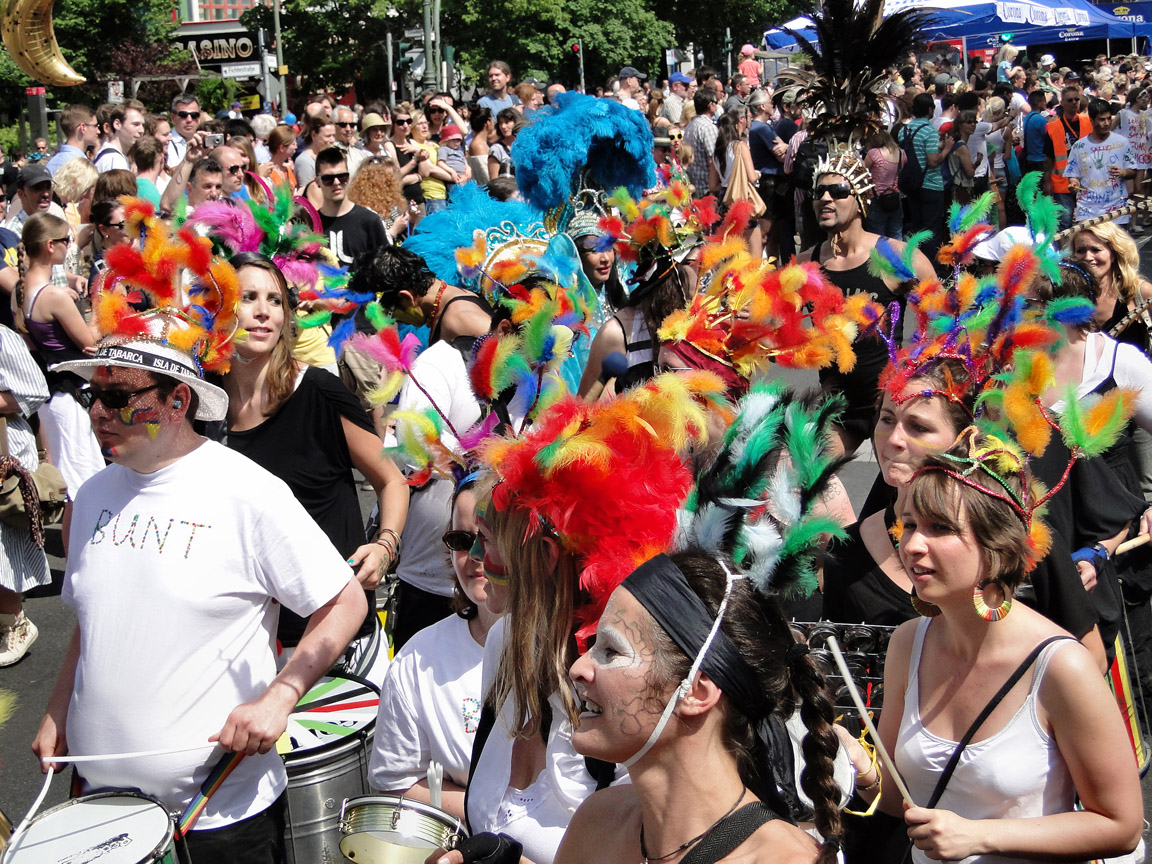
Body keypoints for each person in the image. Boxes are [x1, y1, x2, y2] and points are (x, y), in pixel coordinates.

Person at [32, 229, 368, 861]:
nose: (97, 413)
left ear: (177, 400)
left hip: (219, 820)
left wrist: (281, 695)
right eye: (91, 396)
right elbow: (89, 621)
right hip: (100, 811)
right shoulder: (94, 494)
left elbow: (344, 602)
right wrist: (56, 709)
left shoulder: (247, 491)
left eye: (117, 397)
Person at [869, 434, 1142, 863]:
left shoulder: (1061, 665)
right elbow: (893, 793)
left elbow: (1120, 825)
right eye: (909, 524)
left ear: (995, 544)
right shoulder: (908, 643)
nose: (913, 544)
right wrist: (849, 765)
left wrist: (980, 836)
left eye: (939, 528)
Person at [557, 549, 844, 864]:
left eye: (611, 651)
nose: (579, 669)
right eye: (594, 645)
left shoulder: (784, 860)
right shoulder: (597, 823)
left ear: (696, 692)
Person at [221, 253, 407, 681]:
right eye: (248, 298)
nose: (263, 311)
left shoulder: (319, 392)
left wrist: (384, 545)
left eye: (274, 300)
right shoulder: (205, 405)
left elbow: (391, 479)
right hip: (249, 639)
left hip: (335, 636)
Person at [368, 472, 499, 819]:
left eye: (488, 537)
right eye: (460, 539)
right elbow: (394, 779)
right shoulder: (419, 658)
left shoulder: (570, 652)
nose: (474, 554)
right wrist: (491, 813)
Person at [798, 155, 934, 456]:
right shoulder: (807, 262)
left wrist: (917, 377)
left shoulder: (896, 257)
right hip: (838, 408)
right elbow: (778, 328)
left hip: (887, 405)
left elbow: (943, 322)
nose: (825, 198)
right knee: (807, 485)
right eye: (818, 193)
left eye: (837, 191)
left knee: (899, 493)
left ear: (859, 200)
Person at [14, 212, 103, 521]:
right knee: (80, 487)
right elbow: (89, 343)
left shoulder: (25, 291)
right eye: (66, 241)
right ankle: (79, 562)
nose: (70, 245)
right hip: (66, 395)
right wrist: (103, 306)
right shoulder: (53, 296)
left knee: (78, 484)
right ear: (51, 246)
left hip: (55, 396)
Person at [0, 324, 52, 666]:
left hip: (6, 454)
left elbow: (34, 391)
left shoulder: (2, 337)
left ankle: (13, 621)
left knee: (5, 541)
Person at [1064, 97, 1136, 225]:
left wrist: (1123, 173)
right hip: (1088, 211)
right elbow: (1073, 175)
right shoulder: (1079, 147)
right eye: (1102, 119)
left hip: (1117, 211)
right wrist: (1073, 184)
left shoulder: (1122, 142)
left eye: (1109, 118)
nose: (1107, 123)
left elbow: (1133, 170)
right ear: (1091, 120)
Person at [863, 128, 904, 239]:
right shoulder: (901, 153)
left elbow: (863, 171)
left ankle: (880, 257)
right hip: (895, 198)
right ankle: (898, 256)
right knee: (896, 235)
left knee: (877, 237)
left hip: (876, 199)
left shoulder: (873, 153)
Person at [488, 108, 521, 180]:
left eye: (507, 122)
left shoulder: (524, 146)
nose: (503, 126)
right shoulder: (497, 149)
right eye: (500, 123)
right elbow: (494, 181)